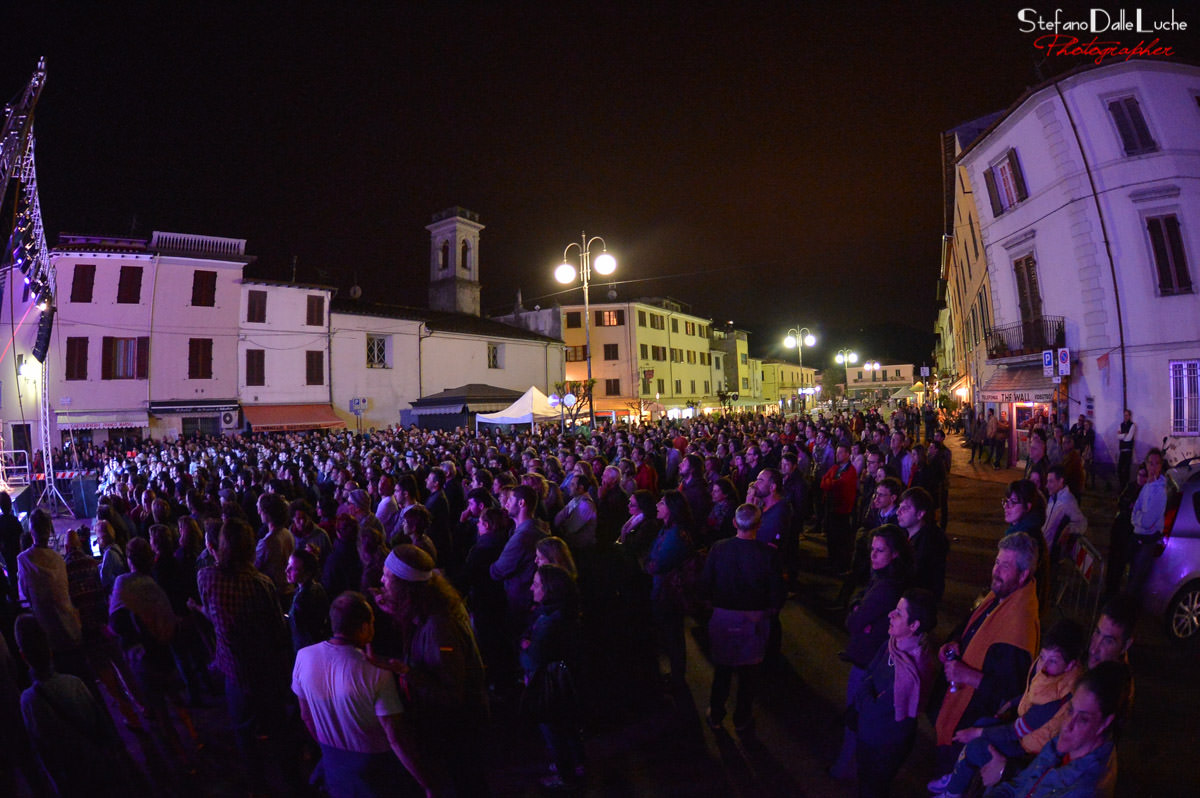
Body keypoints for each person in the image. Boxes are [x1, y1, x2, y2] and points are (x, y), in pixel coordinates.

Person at [292, 591, 438, 797]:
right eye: (372, 622)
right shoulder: (376, 672)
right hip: (375, 768)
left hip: (334, 765)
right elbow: (394, 736)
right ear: (363, 627)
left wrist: (329, 749)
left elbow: (306, 715)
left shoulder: (303, 656)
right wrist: (427, 783)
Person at [375, 545, 489, 797]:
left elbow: (451, 695)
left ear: (406, 586)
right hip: (450, 728)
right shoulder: (428, 608)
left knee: (465, 784)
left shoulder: (440, 627)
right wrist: (395, 611)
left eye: (386, 576)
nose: (381, 580)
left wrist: (406, 671)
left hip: (459, 730)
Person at [929, 532, 1041, 786]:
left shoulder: (1019, 624)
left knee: (954, 779)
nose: (996, 570)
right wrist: (956, 642)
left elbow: (1011, 691)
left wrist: (965, 674)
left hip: (971, 722)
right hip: (959, 707)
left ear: (1023, 575)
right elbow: (971, 628)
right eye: (996, 562)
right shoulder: (1000, 596)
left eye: (1005, 565)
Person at [939, 618, 1086, 798]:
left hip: (1031, 751)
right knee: (983, 722)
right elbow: (1030, 692)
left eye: (1053, 661)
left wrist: (976, 733)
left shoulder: (1061, 698)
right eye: (1043, 657)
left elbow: (1018, 730)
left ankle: (952, 792)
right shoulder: (1052, 674)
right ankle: (958, 777)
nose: (1044, 666)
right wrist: (1010, 704)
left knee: (976, 746)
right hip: (1025, 734)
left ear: (1070, 665)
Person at [194, 518, 293, 784]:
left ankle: (256, 782)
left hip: (233, 668)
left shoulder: (206, 577)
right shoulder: (262, 584)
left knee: (243, 731)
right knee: (276, 726)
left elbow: (214, 615)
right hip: (264, 667)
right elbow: (277, 630)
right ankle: (291, 781)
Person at [14, 614, 133, 798]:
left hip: (71, 780)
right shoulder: (74, 684)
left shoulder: (27, 701)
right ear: (49, 648)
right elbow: (102, 728)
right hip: (98, 770)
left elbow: (44, 754)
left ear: (23, 656)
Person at [831, 524, 912, 779]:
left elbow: (854, 622)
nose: (873, 555)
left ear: (895, 553)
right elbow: (859, 602)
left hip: (868, 660)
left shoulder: (886, 587)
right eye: (872, 550)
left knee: (857, 714)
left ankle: (845, 768)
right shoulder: (889, 578)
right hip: (875, 656)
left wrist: (857, 613)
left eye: (880, 551)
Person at [982, 661, 1130, 798]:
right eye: (1071, 710)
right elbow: (1019, 786)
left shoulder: (1086, 789)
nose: (1067, 725)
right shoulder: (1063, 745)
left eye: (1083, 719)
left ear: (1105, 723)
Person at [700, 503, 785, 735]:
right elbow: (777, 591)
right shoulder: (768, 554)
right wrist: (771, 611)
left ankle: (716, 715)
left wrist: (709, 606)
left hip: (723, 617)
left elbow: (706, 582)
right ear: (759, 524)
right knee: (749, 674)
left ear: (735, 523)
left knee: (723, 670)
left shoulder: (719, 548)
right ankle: (742, 718)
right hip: (754, 619)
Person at [851, 589, 938, 798]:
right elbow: (867, 676)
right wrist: (868, 692)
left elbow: (874, 708)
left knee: (874, 788)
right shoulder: (892, 644)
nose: (890, 615)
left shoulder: (913, 670)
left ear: (914, 626)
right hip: (869, 733)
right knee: (864, 781)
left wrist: (866, 692)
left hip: (885, 743)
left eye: (898, 613)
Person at [520, 564, 585, 789]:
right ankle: (578, 764)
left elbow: (533, 658)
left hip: (550, 688)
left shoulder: (549, 622)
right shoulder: (565, 612)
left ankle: (565, 776)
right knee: (569, 728)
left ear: (549, 590)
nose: (531, 588)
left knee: (553, 732)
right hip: (566, 682)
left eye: (537, 584)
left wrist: (525, 647)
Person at [645, 490, 694, 688]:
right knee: (671, 634)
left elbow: (657, 564)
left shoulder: (674, 535)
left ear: (671, 509)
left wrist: (649, 564)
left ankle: (677, 678)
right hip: (664, 589)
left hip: (669, 593)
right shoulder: (667, 528)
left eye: (662, 503)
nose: (657, 505)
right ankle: (675, 675)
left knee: (672, 635)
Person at [895, 487, 948, 602]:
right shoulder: (906, 533)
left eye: (905, 508)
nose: (898, 512)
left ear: (920, 514)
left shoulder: (930, 543)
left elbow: (915, 577)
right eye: (899, 507)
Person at [1127, 448, 1167, 596]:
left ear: (1161, 466)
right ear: (1146, 464)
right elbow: (1137, 506)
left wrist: (1137, 519)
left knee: (1137, 582)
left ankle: (1130, 611)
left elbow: (1148, 521)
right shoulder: (1148, 485)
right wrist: (1137, 518)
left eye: (1157, 464)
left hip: (1147, 541)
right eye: (1150, 463)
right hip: (1138, 537)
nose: (1153, 467)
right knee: (1131, 576)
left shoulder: (1160, 491)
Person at [286, 548, 331, 653]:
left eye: (293, 568)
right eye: (288, 565)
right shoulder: (318, 587)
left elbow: (305, 635)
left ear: (307, 573)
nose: (286, 570)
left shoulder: (302, 600)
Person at [1116, 409, 1136, 490]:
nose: (1125, 417)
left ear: (1130, 416)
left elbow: (1129, 438)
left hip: (1128, 450)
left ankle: (1126, 487)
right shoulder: (1120, 425)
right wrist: (1124, 435)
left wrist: (1122, 435)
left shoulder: (1132, 425)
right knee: (1119, 469)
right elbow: (1117, 436)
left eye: (1127, 415)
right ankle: (1122, 485)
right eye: (1124, 415)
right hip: (1122, 450)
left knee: (1126, 470)